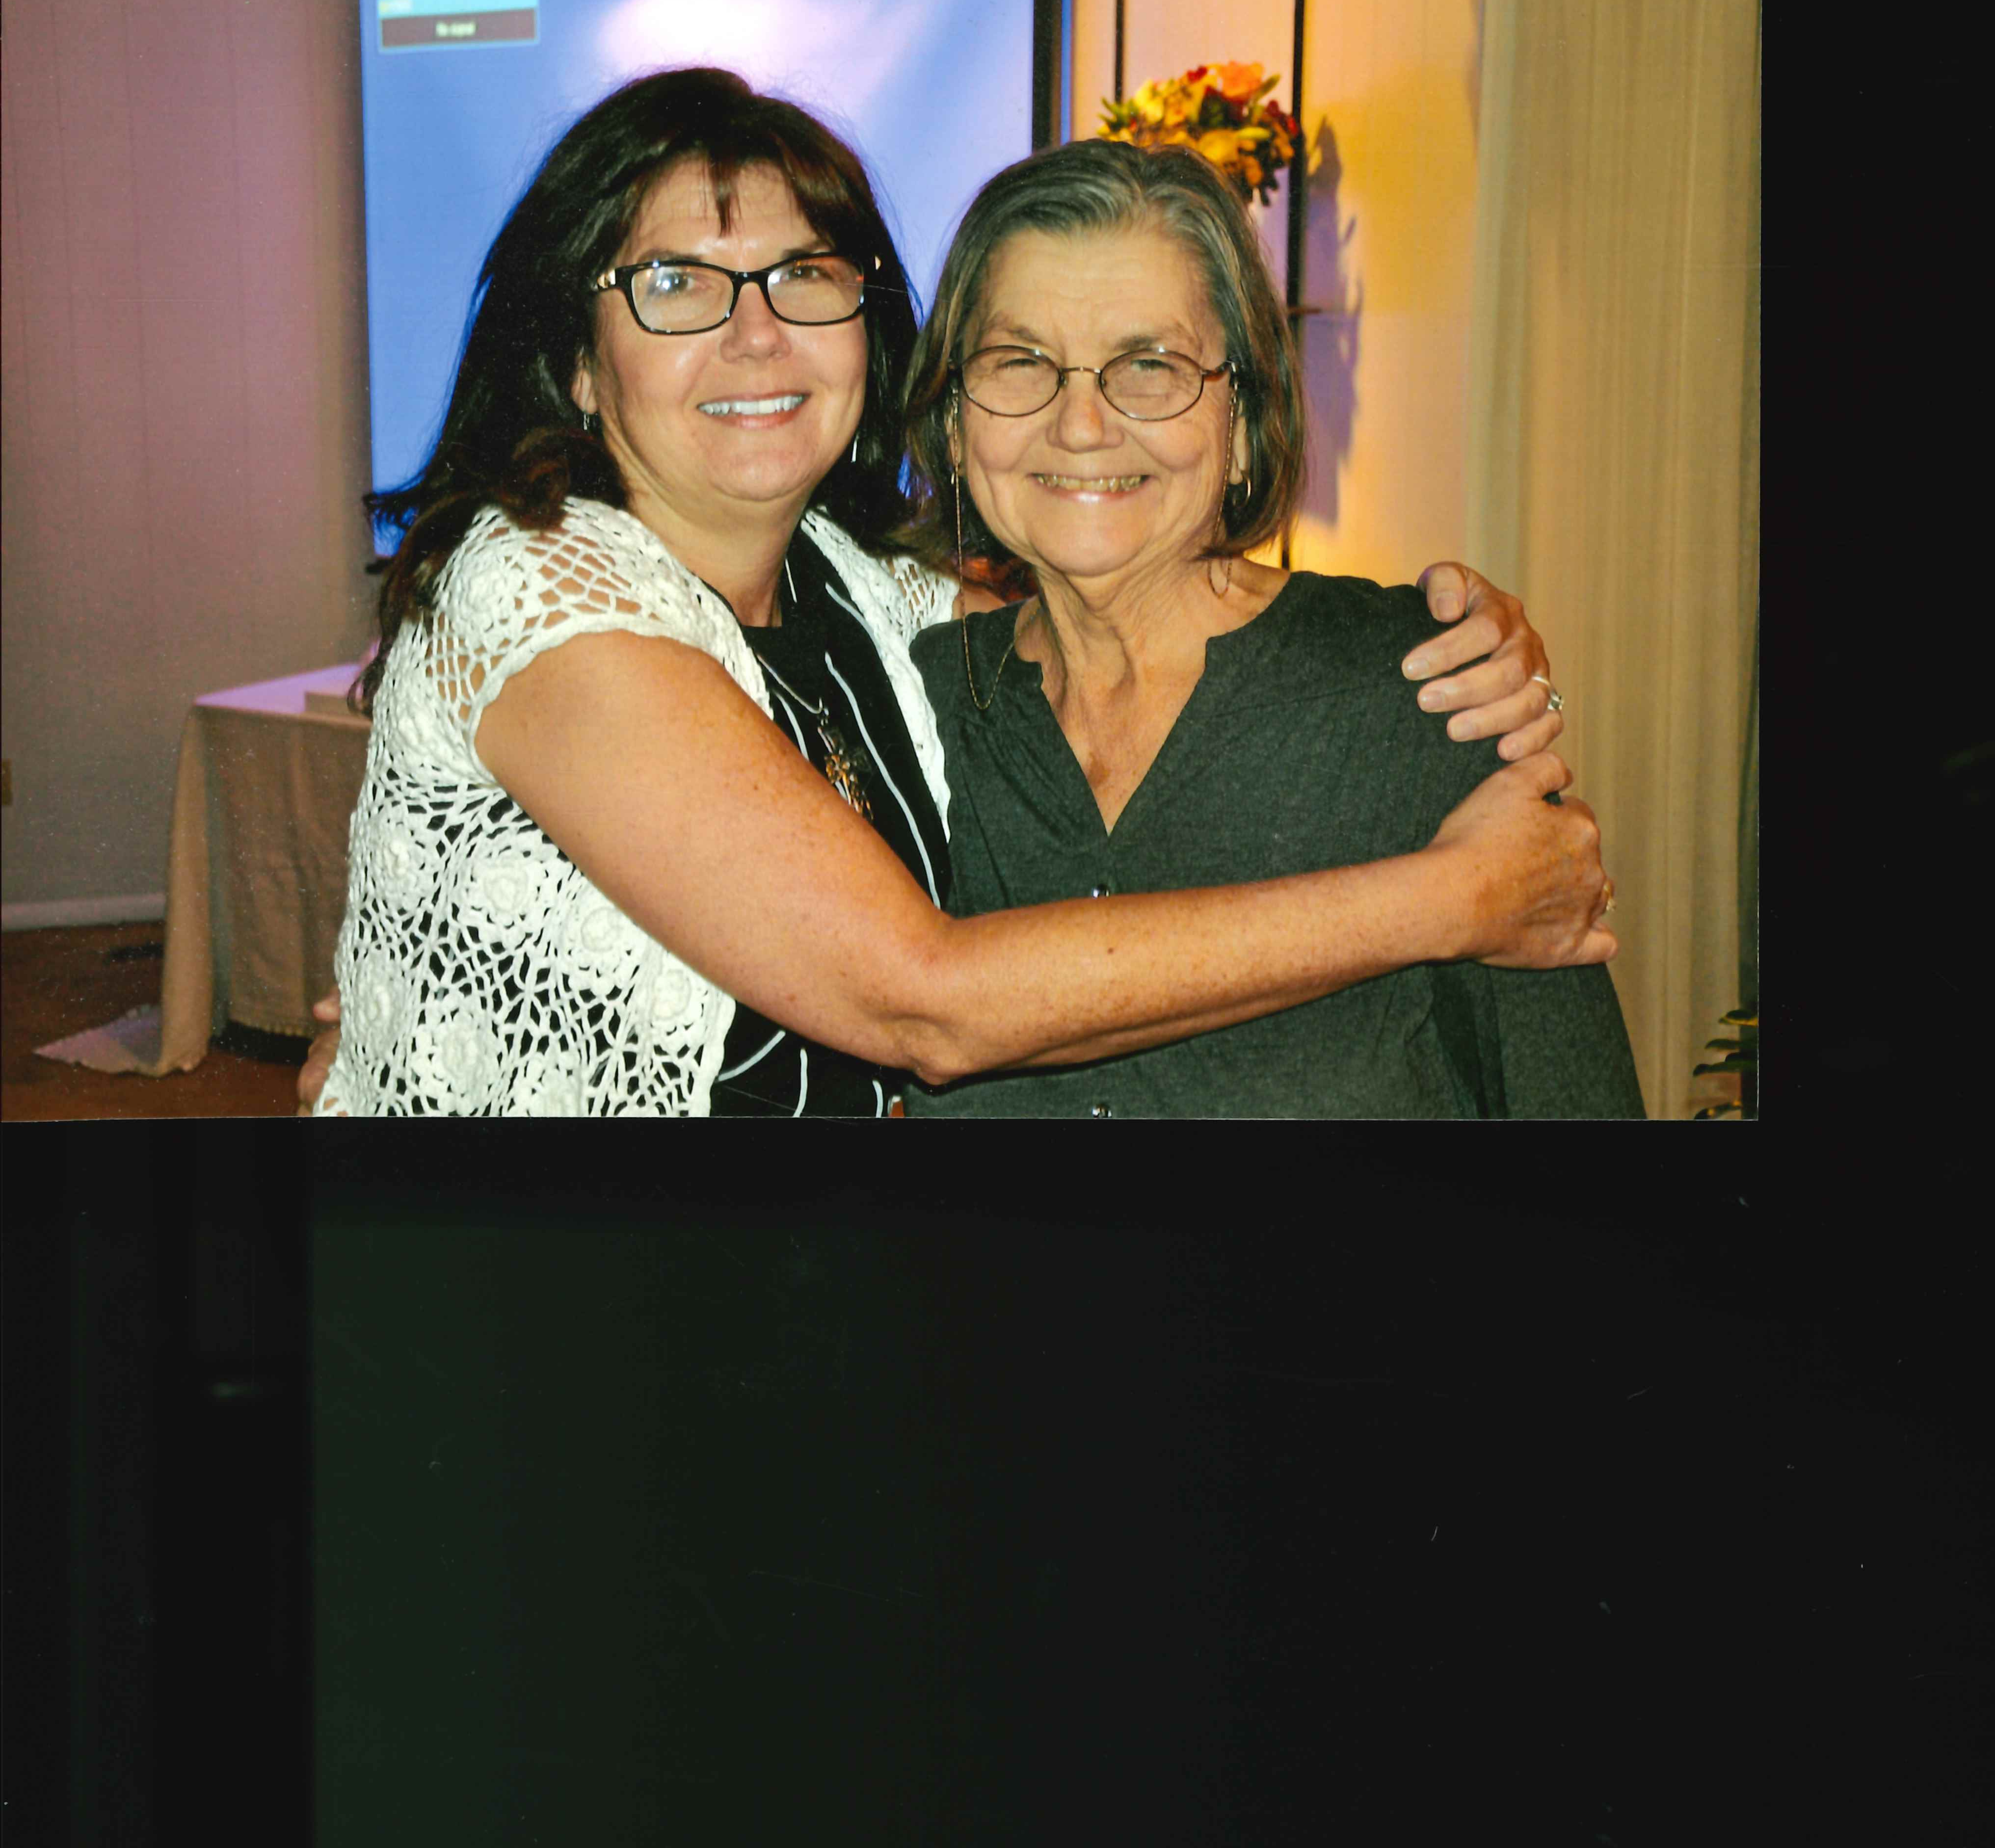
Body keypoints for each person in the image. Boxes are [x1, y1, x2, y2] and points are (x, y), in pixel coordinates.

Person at [308, 68, 1611, 1118]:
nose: (755, 333)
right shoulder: (536, 591)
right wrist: (1456, 899)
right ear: (581, 368)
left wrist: (1446, 633)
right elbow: (923, 1001)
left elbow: (1100, 609)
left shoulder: (877, 609)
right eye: (675, 284)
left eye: (803, 275)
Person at [892, 139, 1645, 1119]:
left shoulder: (1425, 690)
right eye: (1021, 362)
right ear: (956, 424)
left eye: (1150, 366)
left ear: (1244, 424)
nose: (1081, 425)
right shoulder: (914, 718)